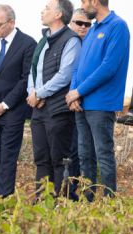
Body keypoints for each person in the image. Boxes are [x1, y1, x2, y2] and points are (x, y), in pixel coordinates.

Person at [65, 0, 130, 201]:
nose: (82, 6)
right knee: (85, 156)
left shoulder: (118, 26)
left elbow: (108, 67)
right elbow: (78, 67)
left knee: (103, 154)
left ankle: (109, 203)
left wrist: (79, 91)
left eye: (84, 2)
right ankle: (88, 200)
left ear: (95, 1)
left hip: (102, 104)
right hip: (82, 103)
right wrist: (72, 92)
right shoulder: (92, 31)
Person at [26, 0, 81, 197]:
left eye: (47, 7)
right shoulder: (43, 40)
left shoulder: (71, 40)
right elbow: (34, 71)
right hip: (38, 109)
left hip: (58, 110)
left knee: (60, 159)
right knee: (41, 159)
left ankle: (60, 205)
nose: (42, 10)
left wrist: (39, 93)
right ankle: (42, 203)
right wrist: (33, 93)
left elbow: (65, 75)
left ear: (58, 14)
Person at [0, 5, 36, 198]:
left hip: (13, 110)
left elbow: (25, 79)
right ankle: (3, 193)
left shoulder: (28, 43)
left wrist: (5, 104)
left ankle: (3, 199)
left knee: (8, 156)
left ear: (11, 22)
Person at [66, 8, 92, 199]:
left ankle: (76, 193)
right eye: (78, 23)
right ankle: (64, 192)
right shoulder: (63, 43)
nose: (83, 27)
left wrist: (77, 96)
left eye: (87, 24)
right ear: (70, 22)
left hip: (83, 104)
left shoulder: (92, 46)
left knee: (79, 150)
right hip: (62, 104)